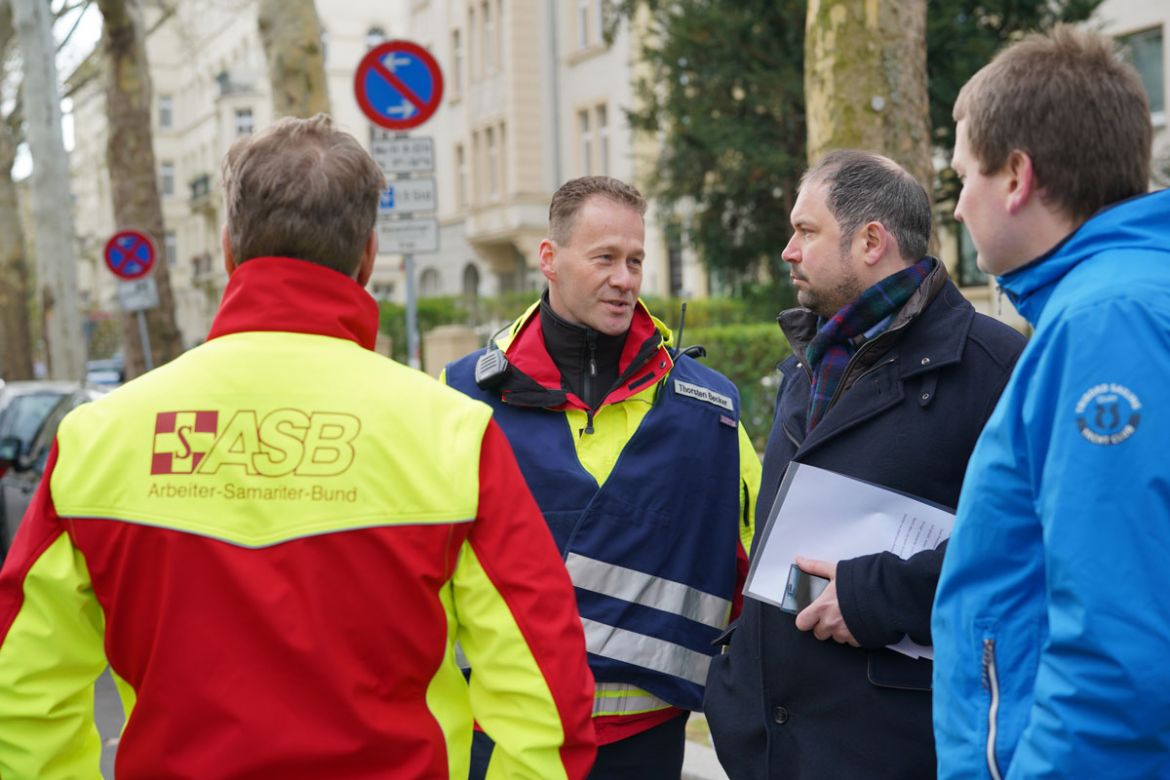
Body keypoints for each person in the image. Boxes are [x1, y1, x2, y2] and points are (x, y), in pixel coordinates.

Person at [0, 115, 596, 780]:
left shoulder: (99, 437)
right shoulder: (451, 435)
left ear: (229, 250)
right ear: (368, 257)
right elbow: (544, 692)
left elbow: (23, 687)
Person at [704, 150, 1026, 779]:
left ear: (872, 240)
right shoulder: (810, 359)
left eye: (806, 231)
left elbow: (1031, 548)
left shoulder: (996, 367)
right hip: (768, 743)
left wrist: (883, 595)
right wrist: (735, 690)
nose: (787, 251)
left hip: (888, 746)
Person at [444, 175, 761, 779]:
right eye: (605, 258)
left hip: (646, 738)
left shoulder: (708, 407)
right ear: (549, 259)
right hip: (503, 733)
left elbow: (757, 545)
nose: (625, 279)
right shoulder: (463, 395)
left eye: (636, 260)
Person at [933, 26, 1170, 778]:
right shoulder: (1120, 300)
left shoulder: (1106, 322)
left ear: (1016, 177)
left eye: (964, 176)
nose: (961, 205)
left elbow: (1117, 643)